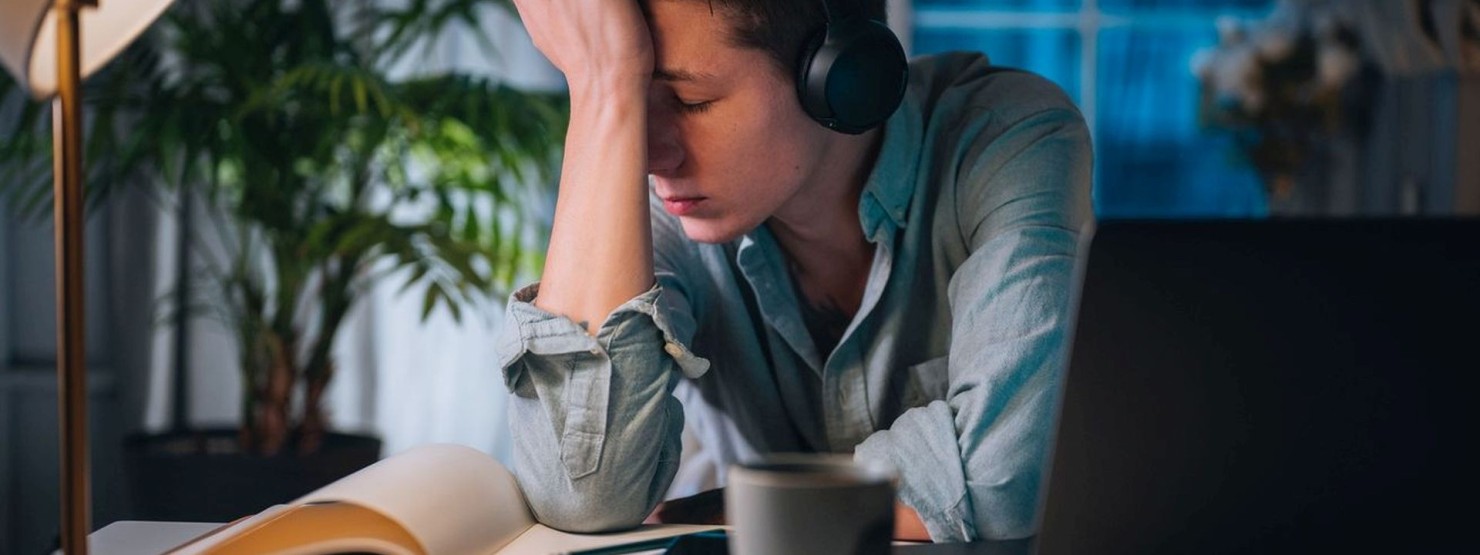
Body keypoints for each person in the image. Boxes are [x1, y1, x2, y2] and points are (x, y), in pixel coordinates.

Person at [496, 0, 1093, 542]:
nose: (651, 156)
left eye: (690, 101)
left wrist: (733, 506)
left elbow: (1006, 477)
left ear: (843, 78)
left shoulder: (1009, 136)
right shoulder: (663, 211)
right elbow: (582, 492)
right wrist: (602, 86)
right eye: (633, 100)